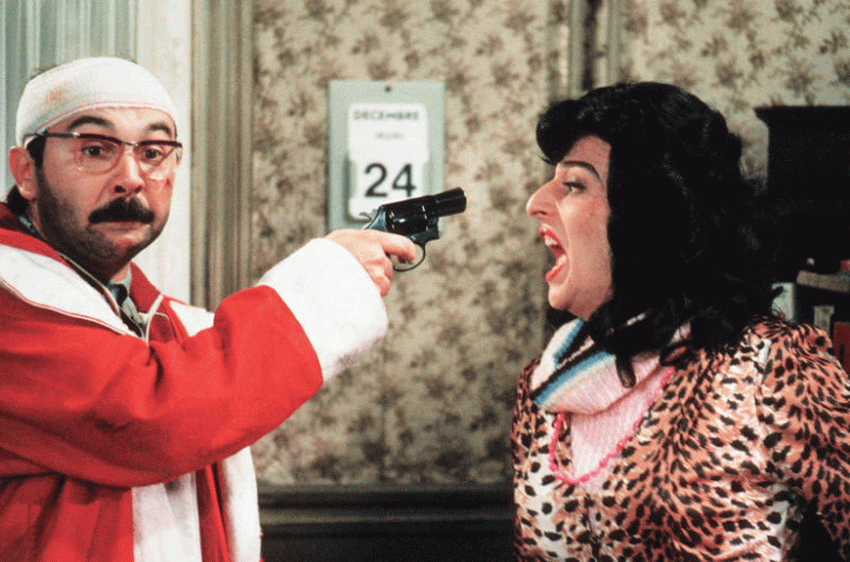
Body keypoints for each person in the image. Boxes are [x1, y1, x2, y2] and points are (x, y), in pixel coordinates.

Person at [0, 57, 416, 561]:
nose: (131, 178)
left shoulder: (166, 321)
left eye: (153, 152)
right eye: (94, 149)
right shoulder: (8, 296)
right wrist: (330, 279)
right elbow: (152, 419)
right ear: (26, 172)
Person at [512, 82, 850, 561]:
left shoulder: (771, 366)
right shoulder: (542, 389)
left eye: (574, 184)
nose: (535, 203)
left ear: (650, 217)